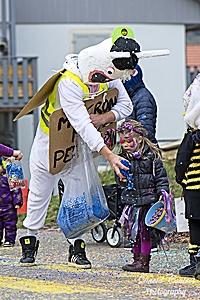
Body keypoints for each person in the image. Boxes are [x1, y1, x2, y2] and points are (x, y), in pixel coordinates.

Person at [14, 26, 170, 268]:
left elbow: (125, 107)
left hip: (79, 146)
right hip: (51, 141)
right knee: (39, 192)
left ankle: (76, 245)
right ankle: (30, 239)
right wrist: (108, 154)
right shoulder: (69, 82)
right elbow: (81, 123)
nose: (104, 84)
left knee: (77, 196)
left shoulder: (111, 77)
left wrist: (105, 117)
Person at [115, 119, 169, 273]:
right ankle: (136, 259)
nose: (125, 144)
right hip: (132, 201)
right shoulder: (123, 156)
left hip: (148, 200)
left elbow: (161, 178)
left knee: (144, 232)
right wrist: (121, 179)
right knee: (134, 232)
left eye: (128, 140)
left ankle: (144, 262)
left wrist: (162, 194)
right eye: (122, 141)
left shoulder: (150, 156)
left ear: (139, 139)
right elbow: (118, 179)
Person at [122, 64, 163, 251]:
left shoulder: (143, 97)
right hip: (136, 155)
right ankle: (140, 241)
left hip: (143, 157)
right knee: (138, 202)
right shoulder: (133, 97)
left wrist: (140, 151)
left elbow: (146, 130)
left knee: (148, 200)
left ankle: (151, 240)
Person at [175, 73, 200, 280]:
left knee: (195, 224)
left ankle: (196, 262)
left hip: (194, 187)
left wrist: (180, 177)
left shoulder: (193, 135)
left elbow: (182, 159)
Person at [0, 157, 23, 246]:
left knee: (10, 225)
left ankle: (9, 240)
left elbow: (16, 191)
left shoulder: (11, 178)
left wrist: (17, 202)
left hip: (9, 207)